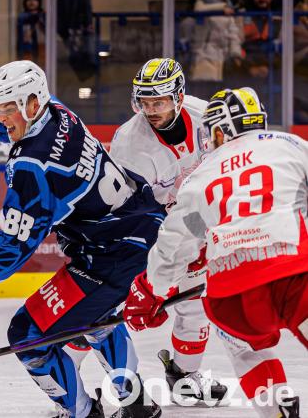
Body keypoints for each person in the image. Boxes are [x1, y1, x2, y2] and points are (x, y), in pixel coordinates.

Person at [0, 60, 163, 418]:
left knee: (28, 335)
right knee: (97, 320)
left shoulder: (36, 166)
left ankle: (82, 413)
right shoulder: (57, 111)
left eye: (8, 109)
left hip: (112, 256)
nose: (2, 118)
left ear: (32, 103)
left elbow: (10, 253)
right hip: (136, 229)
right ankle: (137, 403)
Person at [124, 87, 306, 418]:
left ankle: (276, 403)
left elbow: (175, 244)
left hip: (230, 291)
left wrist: (149, 291)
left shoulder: (201, 176)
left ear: (219, 131)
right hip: (291, 275)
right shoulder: (290, 146)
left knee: (246, 349)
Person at [110, 58, 228, 403]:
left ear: (178, 96)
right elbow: (130, 212)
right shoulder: (129, 144)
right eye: (144, 102)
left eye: (158, 101)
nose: (150, 110)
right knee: (113, 300)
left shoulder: (206, 116)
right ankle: (70, 363)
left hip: (201, 222)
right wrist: (154, 281)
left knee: (195, 306)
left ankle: (184, 376)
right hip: (156, 228)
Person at [187, 0, 243, 84]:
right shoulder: (204, 5)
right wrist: (222, 7)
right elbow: (198, 9)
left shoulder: (228, 13)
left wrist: (236, 53)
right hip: (204, 54)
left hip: (222, 56)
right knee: (203, 88)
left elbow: (233, 34)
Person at [17, 0, 46, 65]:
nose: (31, 2)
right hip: (25, 50)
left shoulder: (43, 16)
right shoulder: (22, 17)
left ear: (39, 2)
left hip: (41, 48)